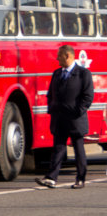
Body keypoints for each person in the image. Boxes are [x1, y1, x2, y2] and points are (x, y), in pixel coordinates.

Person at [37, 45, 94, 189]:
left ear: (68, 56)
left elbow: (88, 96)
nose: (57, 59)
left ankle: (80, 178)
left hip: (75, 118)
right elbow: (50, 94)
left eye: (59, 56)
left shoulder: (83, 73)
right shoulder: (57, 73)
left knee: (78, 148)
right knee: (58, 148)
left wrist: (78, 111)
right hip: (59, 118)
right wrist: (52, 109)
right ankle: (51, 178)